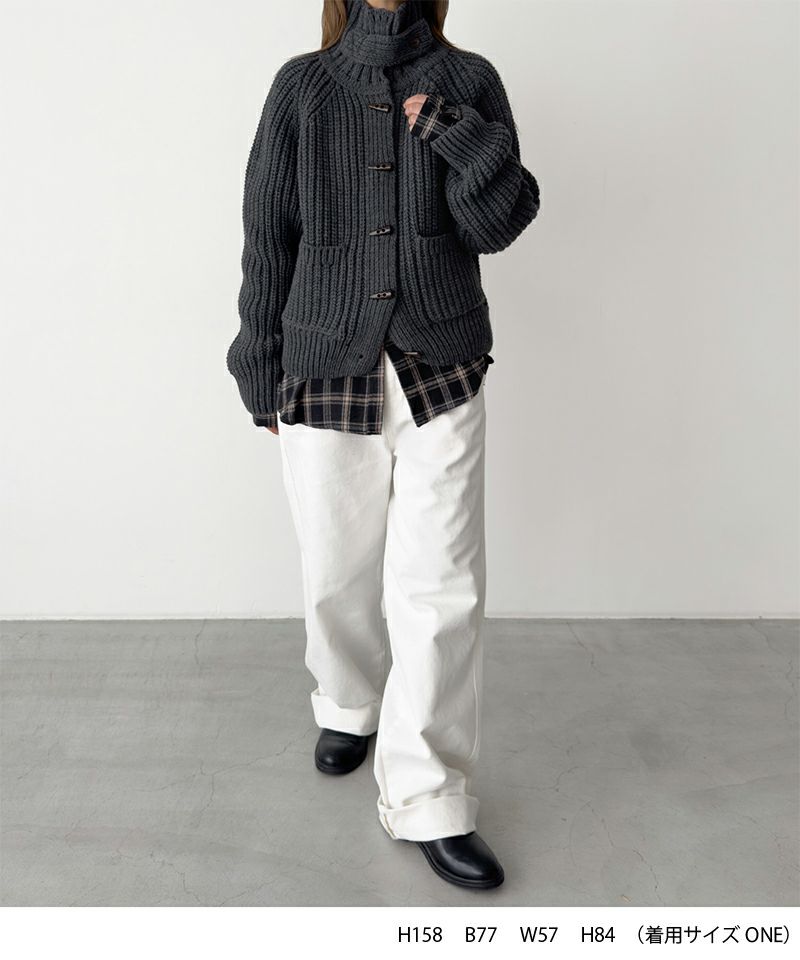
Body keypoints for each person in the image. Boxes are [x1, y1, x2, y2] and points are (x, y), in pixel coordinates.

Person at [227, 0, 539, 890]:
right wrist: (257, 358)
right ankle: (349, 700)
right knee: (336, 570)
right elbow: (267, 235)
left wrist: (459, 137)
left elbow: (499, 225)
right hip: (325, 360)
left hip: (442, 366)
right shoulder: (302, 88)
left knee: (441, 587)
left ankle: (431, 795)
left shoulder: (469, 80)